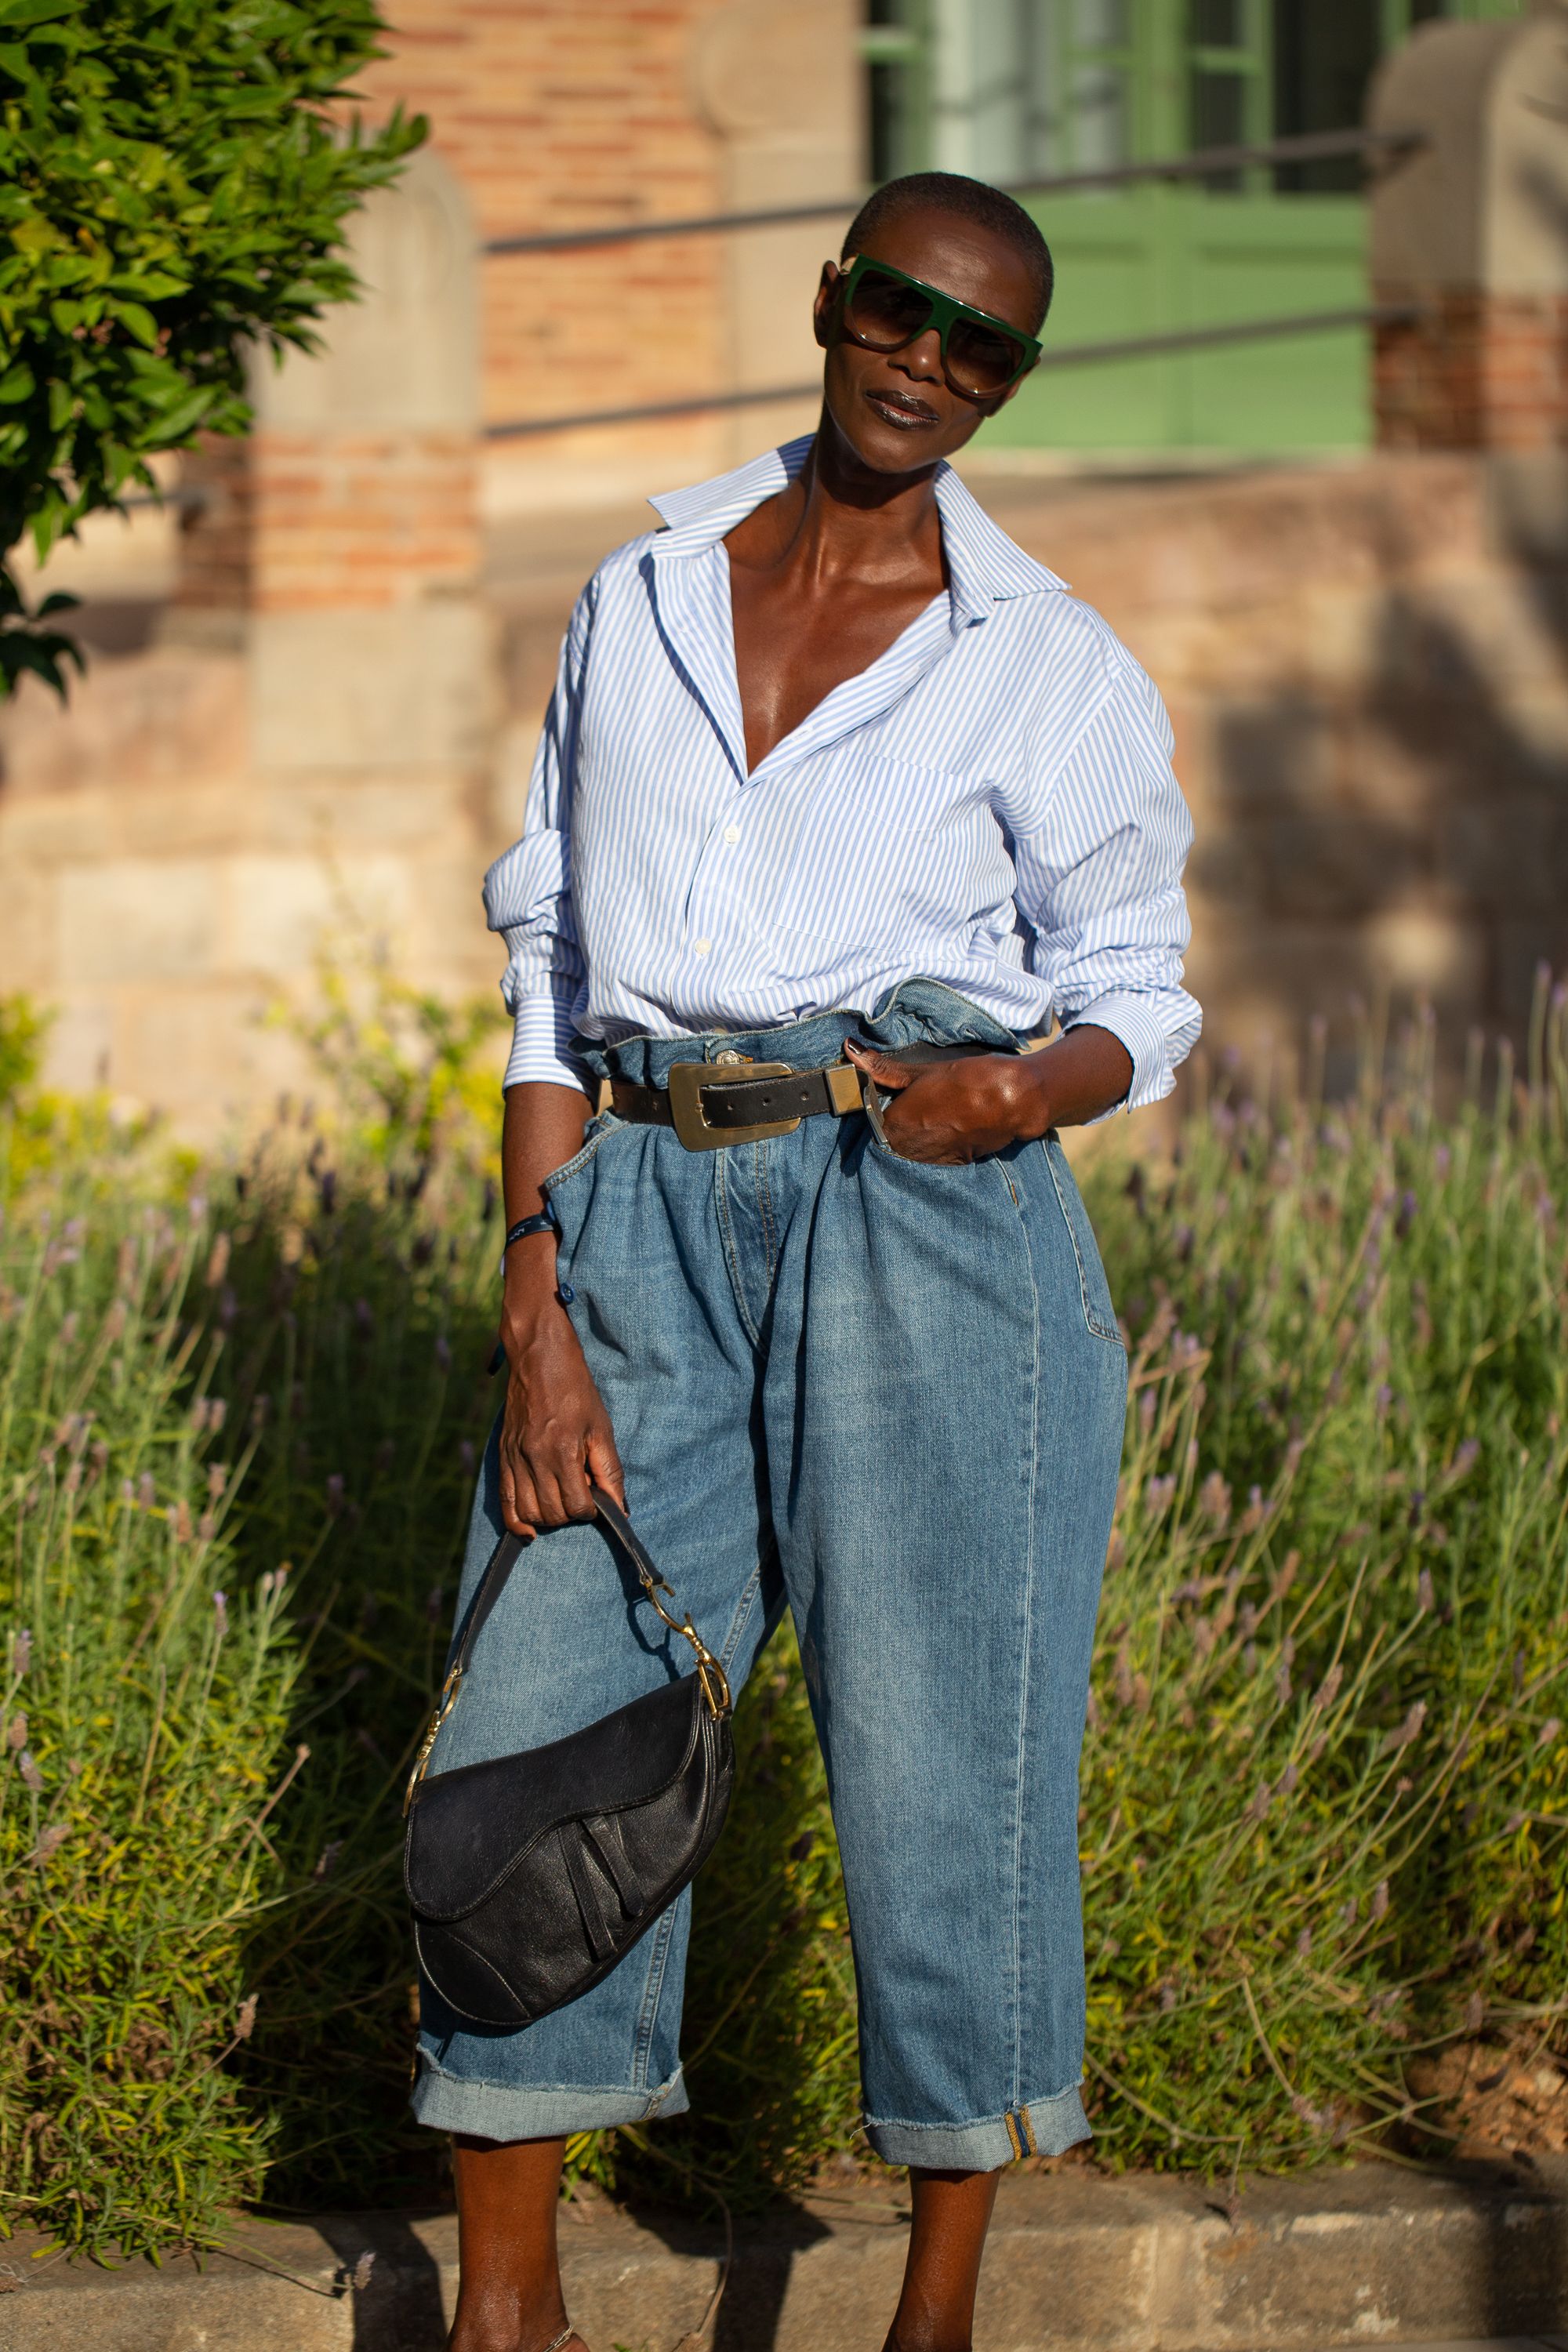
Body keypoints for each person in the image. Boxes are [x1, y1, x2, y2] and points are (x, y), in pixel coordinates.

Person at [418, 169, 1199, 2352]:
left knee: (952, 1751)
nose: (930, 364)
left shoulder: (1045, 660)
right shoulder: (645, 587)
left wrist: (1020, 1096)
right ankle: (511, 2319)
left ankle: (931, 2318)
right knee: (536, 1729)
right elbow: (553, 951)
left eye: (985, 348)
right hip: (641, 1204)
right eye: (902, 310)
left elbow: (1144, 980)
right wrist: (532, 1284)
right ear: (832, 295)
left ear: (1010, 382)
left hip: (927, 1224)